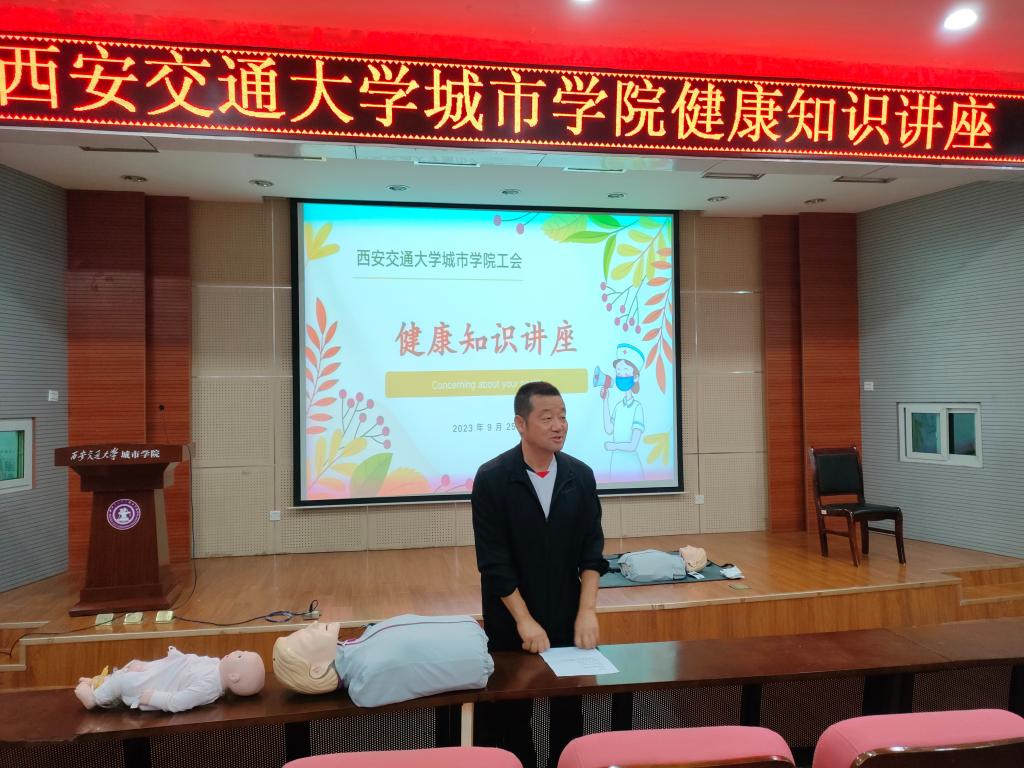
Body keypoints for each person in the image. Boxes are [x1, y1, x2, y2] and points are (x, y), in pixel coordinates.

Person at [472, 380, 608, 768]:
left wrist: (587, 611)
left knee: (570, 717)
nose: (558, 425)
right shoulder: (493, 478)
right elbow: (494, 563)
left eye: (562, 416)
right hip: (511, 622)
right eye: (546, 418)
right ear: (521, 423)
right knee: (514, 719)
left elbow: (592, 552)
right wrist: (524, 621)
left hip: (567, 615)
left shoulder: (580, 475)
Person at [74, 646, 265, 712]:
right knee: (132, 667)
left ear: (234, 677)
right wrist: (152, 666)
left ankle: (95, 699)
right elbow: (187, 662)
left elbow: (179, 702)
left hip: (158, 685)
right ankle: (100, 683)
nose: (237, 651)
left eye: (240, 656)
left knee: (124, 682)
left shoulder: (208, 686)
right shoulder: (215, 664)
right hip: (161, 672)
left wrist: (155, 697)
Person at [602, 343, 646, 480]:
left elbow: (633, 445)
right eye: (618, 371)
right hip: (615, 464)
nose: (621, 375)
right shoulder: (618, 406)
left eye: (625, 370)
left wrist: (614, 446)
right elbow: (609, 429)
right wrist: (605, 401)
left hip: (631, 466)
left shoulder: (637, 407)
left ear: (636, 377)